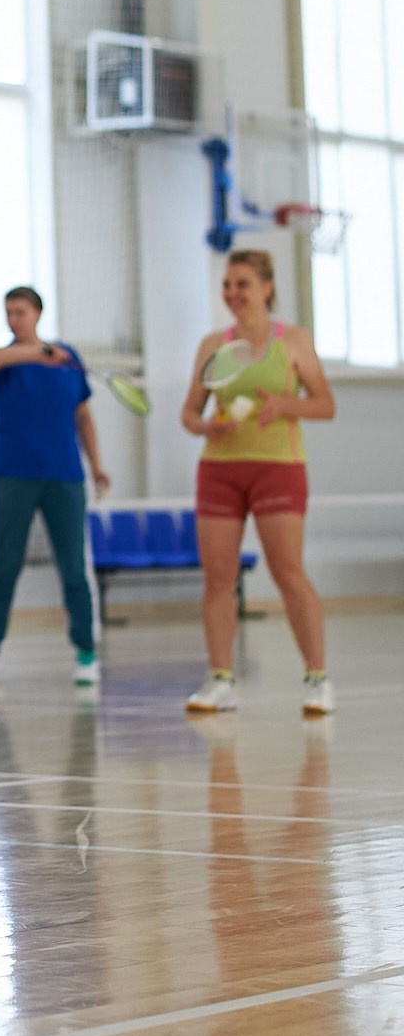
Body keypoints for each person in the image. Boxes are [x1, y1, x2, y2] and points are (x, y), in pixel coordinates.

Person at [180, 250, 335, 716]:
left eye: (242, 284)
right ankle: (221, 679)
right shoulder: (212, 345)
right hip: (220, 470)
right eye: (227, 285)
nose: (233, 294)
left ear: (266, 287)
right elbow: (189, 412)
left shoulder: (295, 341)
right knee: (218, 579)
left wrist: (283, 406)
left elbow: (325, 404)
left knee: (288, 572)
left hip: (278, 467)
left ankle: (317, 679)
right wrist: (207, 427)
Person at [0, 286, 109, 689]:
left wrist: (97, 465)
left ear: (38, 314)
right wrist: (41, 354)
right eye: (9, 312)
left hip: (64, 475)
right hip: (12, 475)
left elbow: (84, 416)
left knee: (74, 567)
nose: (14, 319)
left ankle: (85, 651)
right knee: (4, 565)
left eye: (21, 312)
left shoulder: (68, 359)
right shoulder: (6, 360)